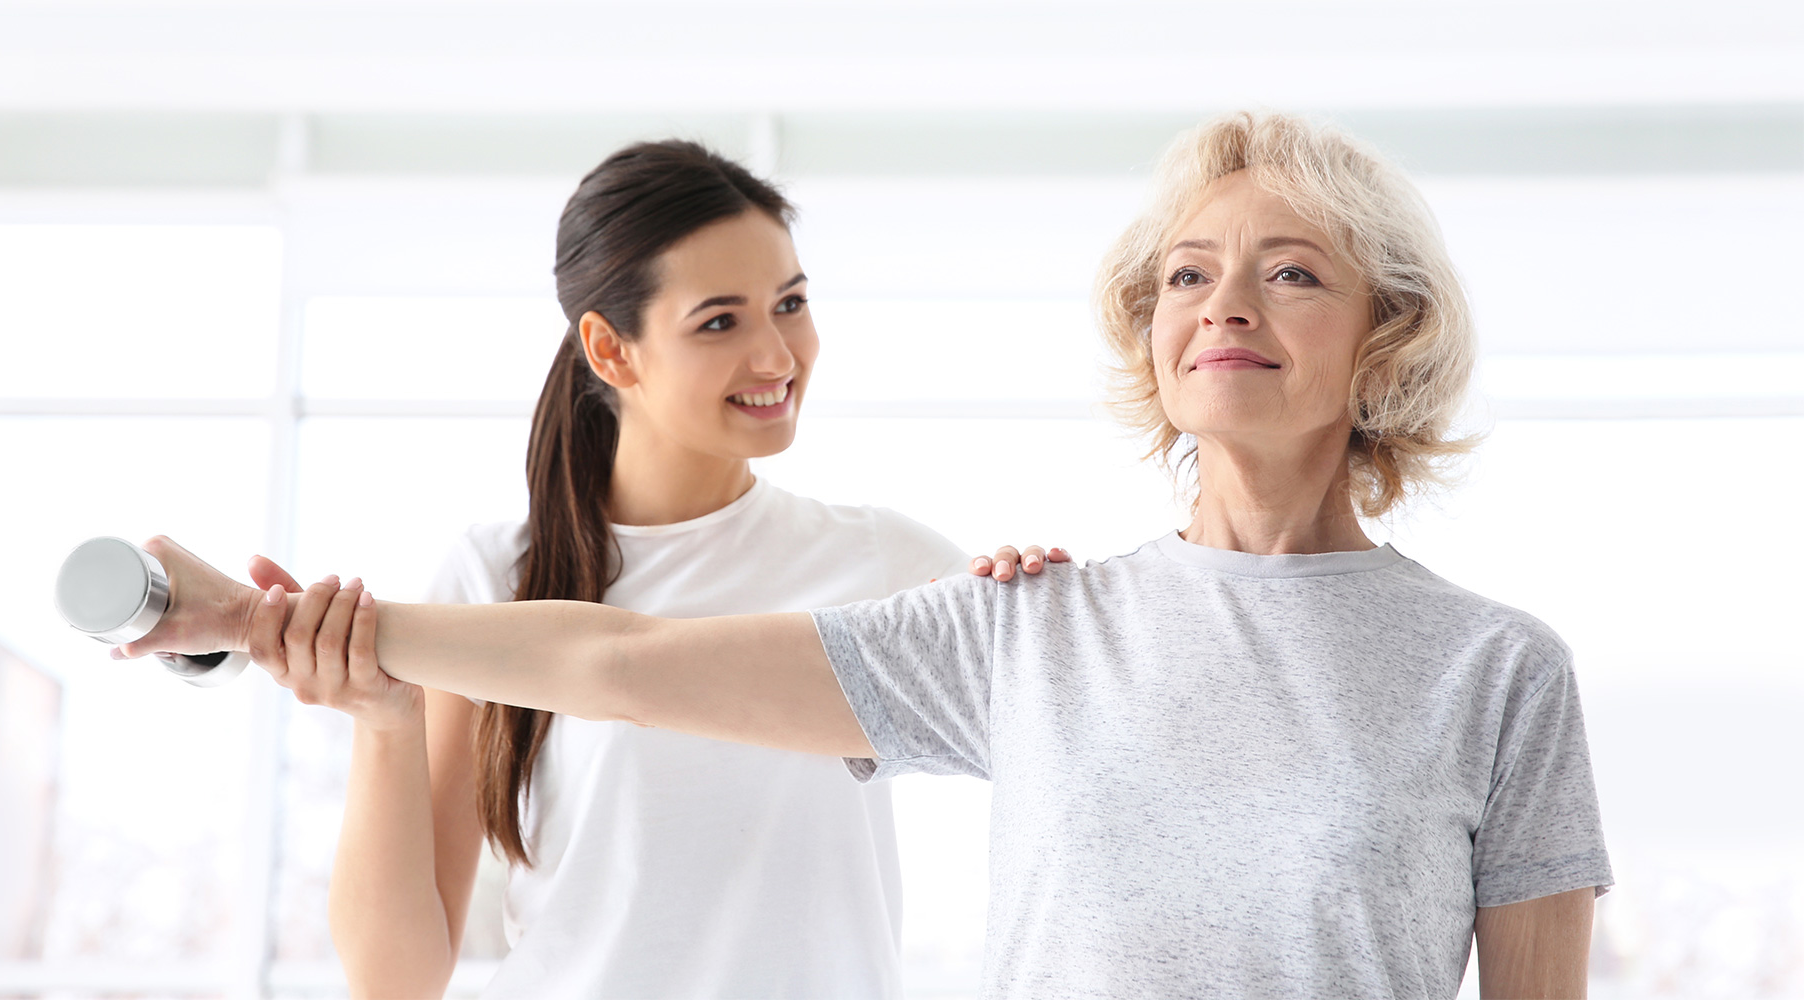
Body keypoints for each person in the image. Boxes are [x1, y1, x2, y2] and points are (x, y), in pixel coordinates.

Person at [129, 112, 1612, 999]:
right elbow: (615, 658)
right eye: (1186, 274)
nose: (1225, 304)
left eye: (1290, 274)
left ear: (1386, 338)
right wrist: (263, 624)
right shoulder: (1027, 630)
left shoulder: (1496, 671)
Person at [225, 139, 1027, 999]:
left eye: (790, 304)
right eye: (719, 322)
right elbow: (396, 981)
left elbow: (1055, 721)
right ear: (610, 350)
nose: (777, 356)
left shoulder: (882, 560)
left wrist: (1027, 602)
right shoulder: (496, 576)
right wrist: (384, 719)